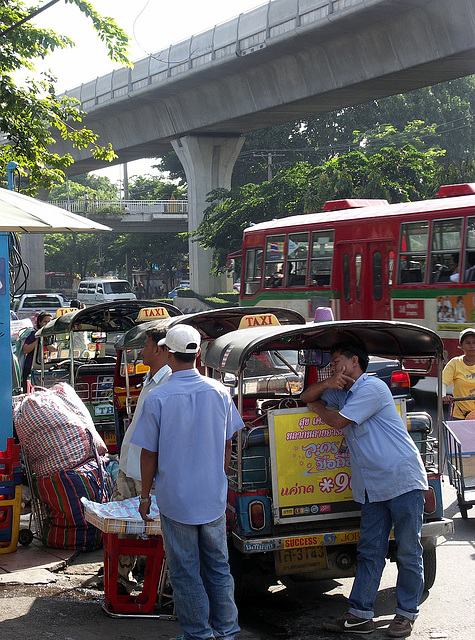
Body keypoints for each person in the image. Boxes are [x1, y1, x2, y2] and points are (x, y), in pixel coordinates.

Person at [300, 341, 428, 638]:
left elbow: (335, 420)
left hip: (401, 480)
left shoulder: (371, 388)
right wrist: (326, 385)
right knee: (370, 551)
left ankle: (406, 614)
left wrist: (317, 404)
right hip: (372, 487)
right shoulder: (342, 391)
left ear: (353, 361)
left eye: (335, 362)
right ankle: (360, 614)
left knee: (409, 551)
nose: (332, 367)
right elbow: (305, 394)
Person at [132, 324, 244, 640]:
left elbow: (148, 455)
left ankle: (198, 632)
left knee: (185, 571)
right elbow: (228, 444)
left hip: (176, 499)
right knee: (218, 567)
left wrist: (144, 496)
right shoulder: (220, 391)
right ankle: (226, 630)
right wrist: (217, 478)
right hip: (212, 497)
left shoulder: (159, 397)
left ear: (168, 352)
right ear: (196, 352)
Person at [111, 327, 171, 594]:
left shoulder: (169, 382)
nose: (142, 352)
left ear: (158, 349)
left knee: (160, 532)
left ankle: (162, 585)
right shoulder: (149, 379)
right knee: (122, 529)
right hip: (129, 464)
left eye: (145, 347)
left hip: (149, 470)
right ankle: (121, 579)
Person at [442, 328, 475, 419]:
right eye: (468, 343)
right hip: (460, 416)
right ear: (461, 346)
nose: (472, 346)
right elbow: (442, 383)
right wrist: (443, 396)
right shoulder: (455, 363)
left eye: (474, 342)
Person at [21, 311, 54, 391]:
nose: (47, 324)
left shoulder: (52, 335)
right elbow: (25, 350)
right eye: (45, 322)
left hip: (46, 367)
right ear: (39, 323)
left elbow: (53, 350)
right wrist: (38, 339)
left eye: (49, 322)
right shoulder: (33, 334)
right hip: (31, 367)